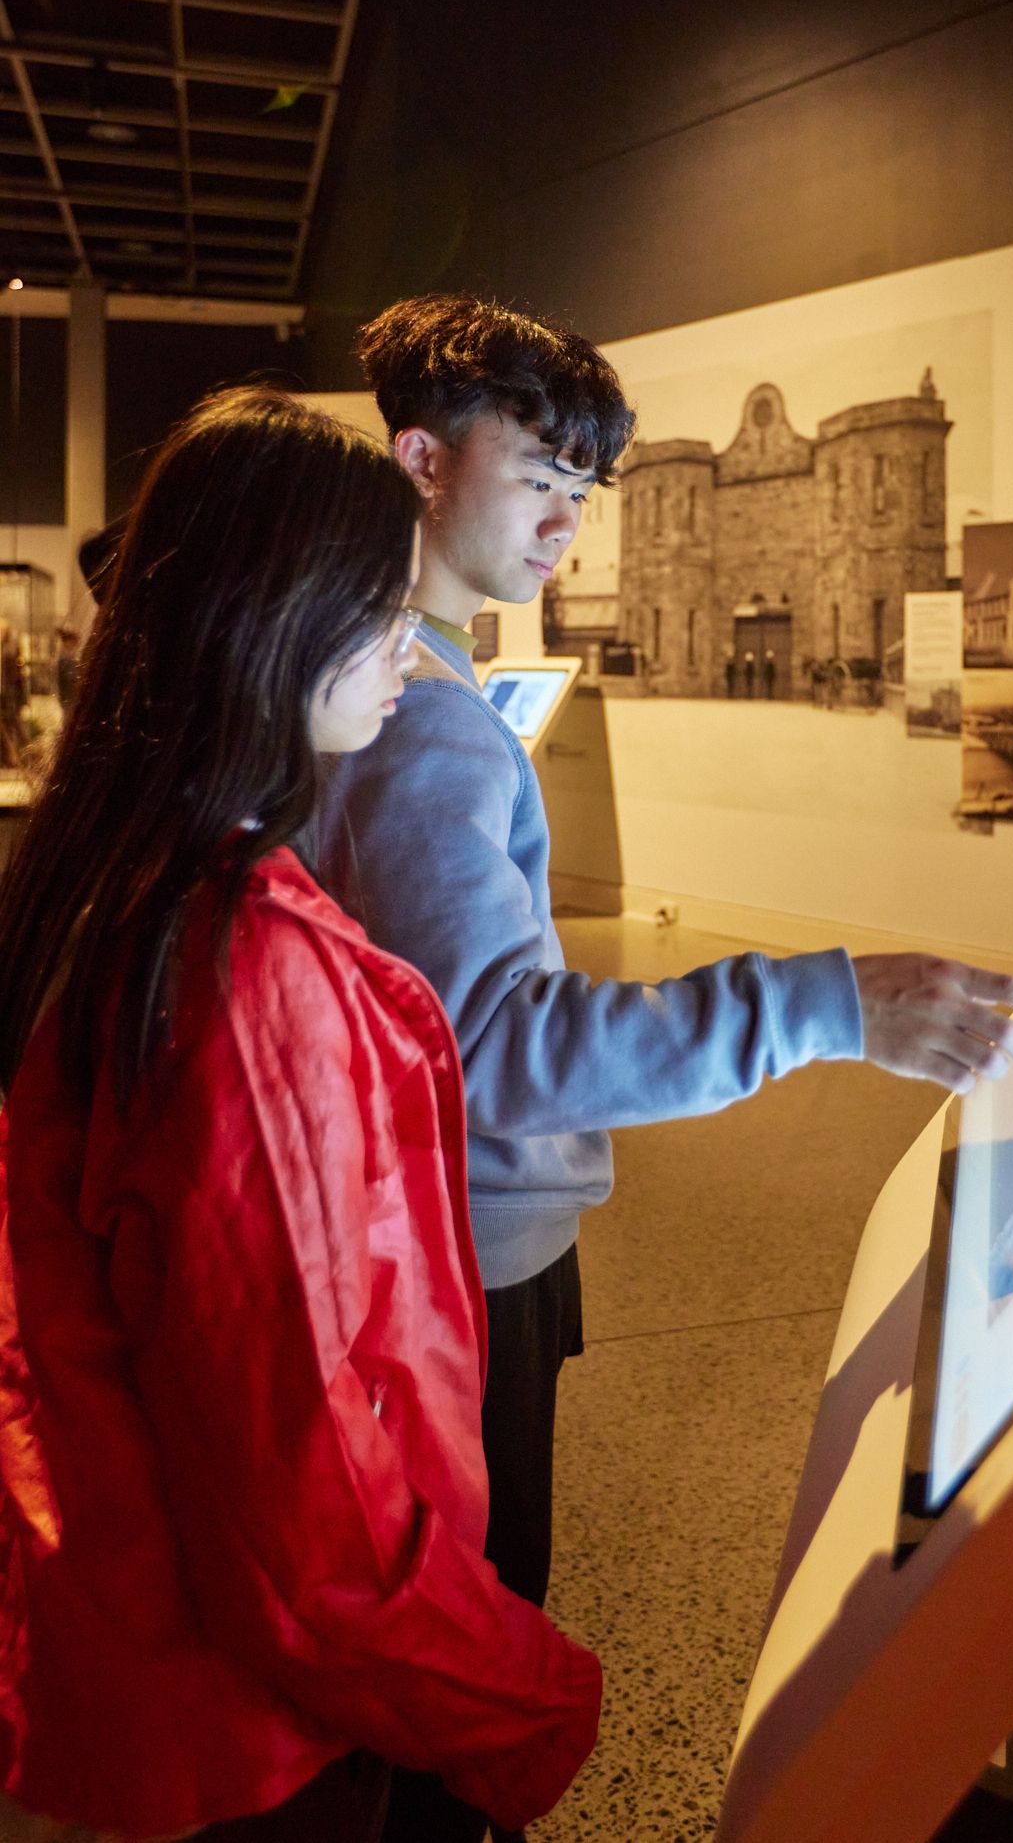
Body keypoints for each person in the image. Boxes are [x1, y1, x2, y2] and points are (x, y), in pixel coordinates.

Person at [319, 292, 1013, 1843]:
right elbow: (495, 1039)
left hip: (446, 1235)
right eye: (540, 481)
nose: (567, 532)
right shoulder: (432, 721)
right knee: (467, 1634)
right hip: (466, 1251)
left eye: (584, 496)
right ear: (419, 461)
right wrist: (823, 1003)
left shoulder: (375, 678)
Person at [0, 386, 600, 1843]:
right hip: (236, 1727)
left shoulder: (114, 871)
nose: (410, 647)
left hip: (111, 1639)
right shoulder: (234, 966)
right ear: (272, 615)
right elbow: (308, 1525)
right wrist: (529, 1695)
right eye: (378, 608)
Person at [0, 619, 26, 769]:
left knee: (14, 724)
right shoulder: (7, 647)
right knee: (12, 726)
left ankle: (19, 757)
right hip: (7, 693)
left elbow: (14, 674)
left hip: (10, 694)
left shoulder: (10, 647)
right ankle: (12, 758)